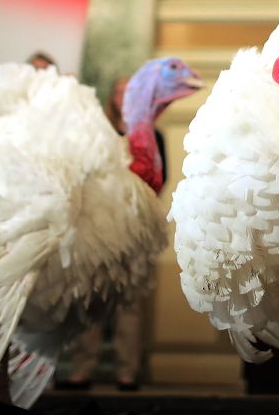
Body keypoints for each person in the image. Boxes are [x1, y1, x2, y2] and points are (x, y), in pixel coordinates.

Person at [58, 77, 162, 392]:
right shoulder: (94, 133)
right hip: (96, 227)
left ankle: (128, 372)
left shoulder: (150, 134)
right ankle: (81, 371)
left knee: (130, 305)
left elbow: (159, 178)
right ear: (111, 97)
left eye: (130, 90)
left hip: (133, 227)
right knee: (89, 300)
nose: (123, 96)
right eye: (119, 90)